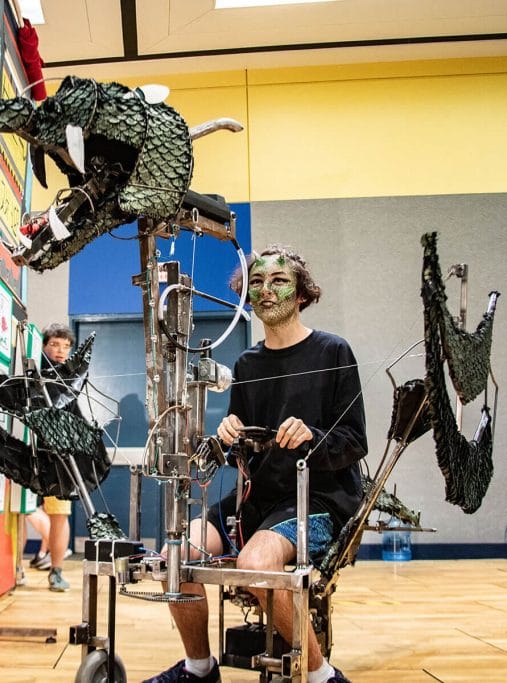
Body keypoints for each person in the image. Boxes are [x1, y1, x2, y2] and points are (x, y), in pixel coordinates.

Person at [146, 245, 367, 683]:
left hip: (319, 496)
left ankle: (324, 676)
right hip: (256, 497)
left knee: (257, 564)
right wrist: (229, 435)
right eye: (258, 283)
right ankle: (199, 669)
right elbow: (242, 451)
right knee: (175, 554)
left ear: (301, 293)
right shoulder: (248, 363)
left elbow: (354, 441)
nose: (266, 291)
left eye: (279, 281)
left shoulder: (333, 351)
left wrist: (312, 437)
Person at [25, 322, 78, 592]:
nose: (60, 350)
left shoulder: (72, 378)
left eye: (66, 346)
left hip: (58, 457)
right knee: (20, 508)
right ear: (44, 345)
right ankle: (14, 567)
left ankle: (56, 570)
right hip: (28, 450)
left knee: (59, 514)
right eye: (55, 344)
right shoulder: (31, 372)